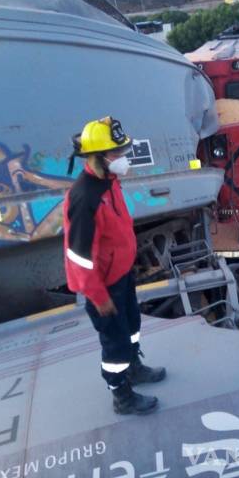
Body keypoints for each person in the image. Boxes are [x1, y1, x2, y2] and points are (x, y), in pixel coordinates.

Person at [64, 116, 165, 415]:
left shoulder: (109, 181)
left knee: (132, 327)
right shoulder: (85, 197)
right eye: (116, 153)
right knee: (115, 344)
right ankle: (121, 394)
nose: (123, 158)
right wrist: (99, 297)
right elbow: (79, 257)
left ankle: (134, 367)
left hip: (120, 276)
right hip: (103, 289)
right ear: (97, 158)